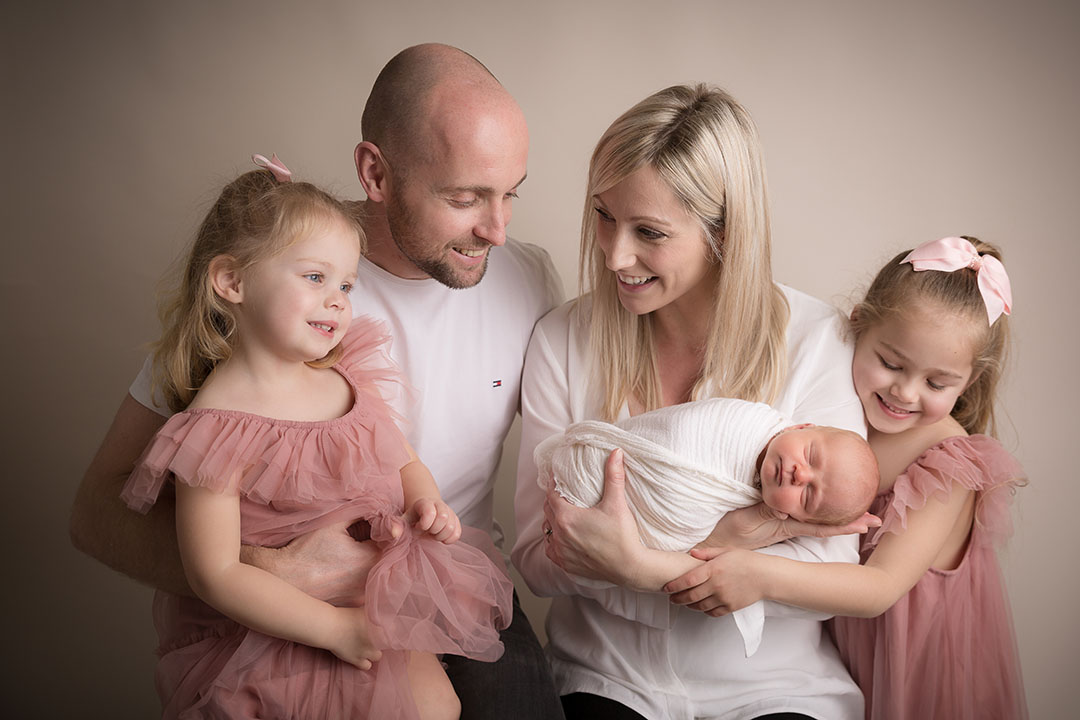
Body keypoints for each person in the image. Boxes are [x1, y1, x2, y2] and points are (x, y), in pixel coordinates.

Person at [69, 44, 565, 718]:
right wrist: (271, 572)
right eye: (465, 197)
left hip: (452, 584)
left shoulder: (529, 280)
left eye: (512, 193)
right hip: (291, 619)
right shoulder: (271, 299)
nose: (498, 229)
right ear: (375, 172)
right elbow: (95, 515)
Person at [513, 84, 876, 720]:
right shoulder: (562, 340)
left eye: (648, 232)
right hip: (605, 679)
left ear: (724, 231)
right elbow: (536, 560)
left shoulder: (819, 341)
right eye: (603, 215)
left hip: (776, 688)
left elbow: (826, 578)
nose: (613, 254)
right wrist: (731, 543)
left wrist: (636, 565)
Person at [121, 155, 514, 718]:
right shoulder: (216, 426)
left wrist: (426, 498)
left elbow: (401, 457)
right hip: (280, 629)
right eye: (315, 278)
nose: (338, 299)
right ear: (232, 281)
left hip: (372, 603)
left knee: (435, 707)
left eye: (347, 284)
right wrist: (333, 628)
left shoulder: (344, 376)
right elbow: (215, 573)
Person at [665, 236, 1028, 720]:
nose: (904, 391)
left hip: (920, 658)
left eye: (936, 383)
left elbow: (879, 589)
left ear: (968, 382)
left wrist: (758, 575)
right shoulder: (829, 412)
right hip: (847, 653)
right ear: (857, 324)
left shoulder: (947, 462)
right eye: (890, 363)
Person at [538, 398, 880, 549]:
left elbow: (683, 533)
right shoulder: (744, 423)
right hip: (596, 464)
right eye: (810, 455)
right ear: (802, 426)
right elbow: (678, 432)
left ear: (789, 514)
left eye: (808, 495)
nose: (799, 475)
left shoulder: (754, 511)